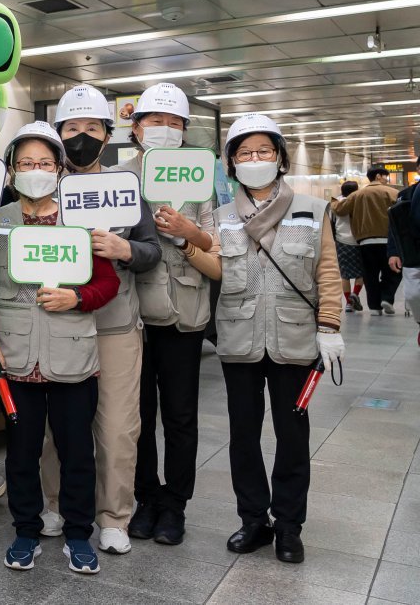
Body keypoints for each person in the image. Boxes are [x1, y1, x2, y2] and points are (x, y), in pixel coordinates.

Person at [0, 123, 120, 575]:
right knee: (21, 451)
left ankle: (79, 535)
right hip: (15, 356)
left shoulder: (79, 220)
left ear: (59, 168)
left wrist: (76, 298)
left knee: (77, 451)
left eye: (43, 163)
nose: (34, 171)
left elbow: (108, 282)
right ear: (11, 171)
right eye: (25, 164)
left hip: (72, 355)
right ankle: (25, 531)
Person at [36, 85, 163, 556]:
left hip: (115, 324)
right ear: (58, 134)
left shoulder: (126, 188)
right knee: (57, 426)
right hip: (57, 324)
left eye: (92, 128)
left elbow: (151, 250)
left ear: (108, 136)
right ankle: (55, 504)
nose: (82, 137)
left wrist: (125, 249)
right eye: (73, 129)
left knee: (117, 426)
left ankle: (113, 516)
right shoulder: (42, 185)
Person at [213, 114, 344, 564]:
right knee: (243, 436)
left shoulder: (312, 208)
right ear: (231, 162)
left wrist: (330, 327)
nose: (254, 160)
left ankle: (289, 525)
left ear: (280, 158)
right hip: (238, 339)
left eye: (263, 152)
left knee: (292, 436)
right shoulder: (221, 217)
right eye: (244, 153)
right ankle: (253, 520)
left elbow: (327, 272)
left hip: (295, 341)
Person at [120, 82, 221, 546]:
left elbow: (216, 247)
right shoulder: (118, 177)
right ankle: (145, 498)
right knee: (136, 415)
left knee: (180, 415)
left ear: (185, 130)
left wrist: (187, 232)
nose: (164, 129)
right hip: (131, 316)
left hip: (184, 313)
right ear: (136, 128)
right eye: (154, 121)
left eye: (174, 122)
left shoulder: (202, 178)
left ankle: (175, 504)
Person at [335, 166, 402, 315]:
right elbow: (403, 211)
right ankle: (387, 298)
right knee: (393, 272)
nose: (387, 179)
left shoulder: (357, 195)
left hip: (366, 242)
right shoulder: (393, 193)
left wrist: (334, 202)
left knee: (370, 275)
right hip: (389, 242)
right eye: (386, 176)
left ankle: (374, 307)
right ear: (378, 176)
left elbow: (340, 210)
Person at [387, 158, 420, 345]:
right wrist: (393, 251)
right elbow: (395, 227)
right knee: (413, 295)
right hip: (412, 253)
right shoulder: (406, 194)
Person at [333, 181, 364, 312]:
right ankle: (355, 295)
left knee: (344, 275)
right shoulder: (359, 201)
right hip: (359, 241)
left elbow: (331, 221)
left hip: (341, 241)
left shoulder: (335, 203)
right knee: (361, 272)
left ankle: (348, 303)